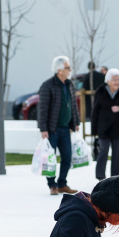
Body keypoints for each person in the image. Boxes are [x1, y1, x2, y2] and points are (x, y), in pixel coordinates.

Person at [37, 56, 80, 196]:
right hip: (52, 130)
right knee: (50, 158)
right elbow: (42, 109)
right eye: (67, 68)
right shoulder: (47, 85)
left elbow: (73, 105)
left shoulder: (69, 84)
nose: (70, 70)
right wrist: (43, 128)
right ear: (59, 70)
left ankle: (62, 184)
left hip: (66, 128)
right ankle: (52, 185)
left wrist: (76, 122)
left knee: (67, 157)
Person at [91, 68, 119, 181]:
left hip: (118, 128)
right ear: (108, 81)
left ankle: (116, 177)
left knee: (117, 153)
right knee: (103, 151)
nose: (117, 82)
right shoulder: (100, 91)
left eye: (118, 79)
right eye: (114, 79)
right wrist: (94, 130)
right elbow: (95, 111)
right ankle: (100, 176)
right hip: (103, 127)